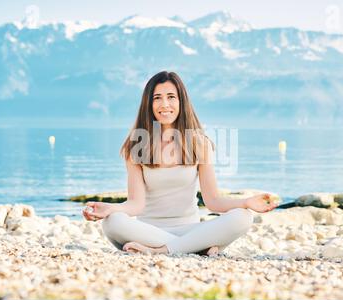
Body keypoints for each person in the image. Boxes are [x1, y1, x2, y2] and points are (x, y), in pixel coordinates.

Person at [82, 71, 278, 256]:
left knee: (243, 217)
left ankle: (161, 250)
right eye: (157, 98)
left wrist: (246, 202)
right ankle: (195, 247)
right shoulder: (136, 146)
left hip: (190, 228)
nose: (164, 104)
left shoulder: (199, 143)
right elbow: (136, 204)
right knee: (112, 222)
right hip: (147, 230)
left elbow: (213, 201)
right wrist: (110, 208)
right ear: (148, 104)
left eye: (171, 97)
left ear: (181, 101)